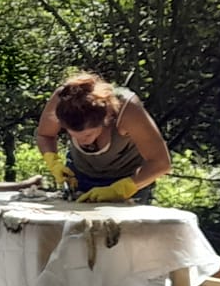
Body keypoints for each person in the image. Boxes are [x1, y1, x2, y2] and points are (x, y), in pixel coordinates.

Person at [36, 72, 172, 204]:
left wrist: (121, 189)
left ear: (105, 120)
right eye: (72, 134)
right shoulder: (63, 100)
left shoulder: (128, 109)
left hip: (128, 180)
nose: (82, 141)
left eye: (88, 135)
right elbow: (45, 135)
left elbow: (161, 163)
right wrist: (53, 162)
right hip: (78, 175)